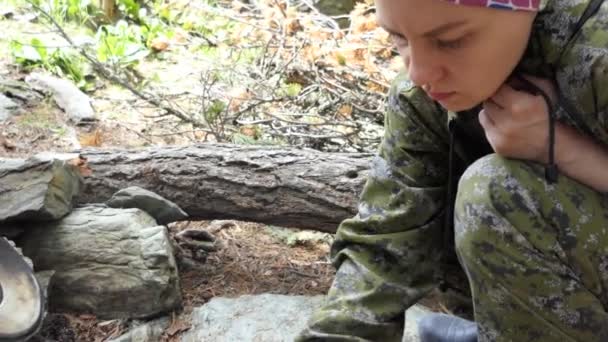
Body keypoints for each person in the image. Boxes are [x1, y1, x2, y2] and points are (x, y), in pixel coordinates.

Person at [296, 0, 608, 341]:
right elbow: (387, 244)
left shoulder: (599, 53)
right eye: (398, 37)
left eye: (450, 41)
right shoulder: (421, 96)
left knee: (496, 192)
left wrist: (565, 150)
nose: (419, 72)